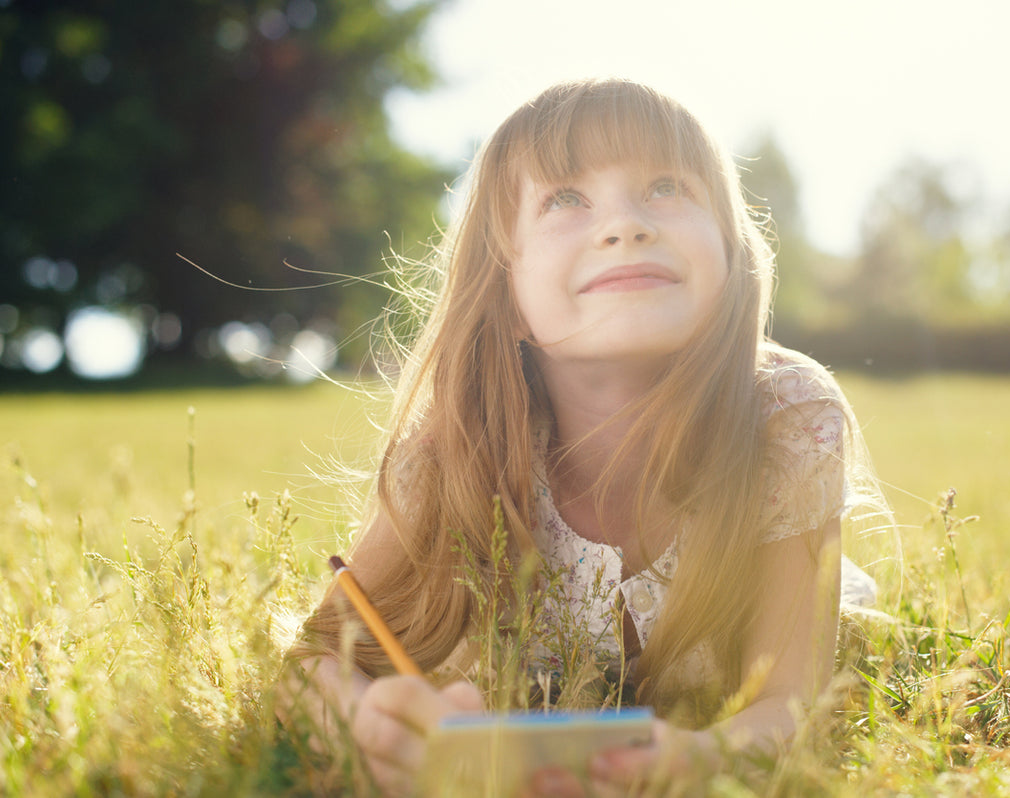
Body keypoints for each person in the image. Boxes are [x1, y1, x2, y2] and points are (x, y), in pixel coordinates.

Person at [282, 77, 888, 795]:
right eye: (565, 199)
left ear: (729, 254)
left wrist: (700, 762)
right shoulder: (453, 454)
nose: (625, 225)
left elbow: (791, 702)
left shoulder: (786, 418)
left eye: (665, 186)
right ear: (506, 296)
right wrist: (361, 727)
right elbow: (313, 663)